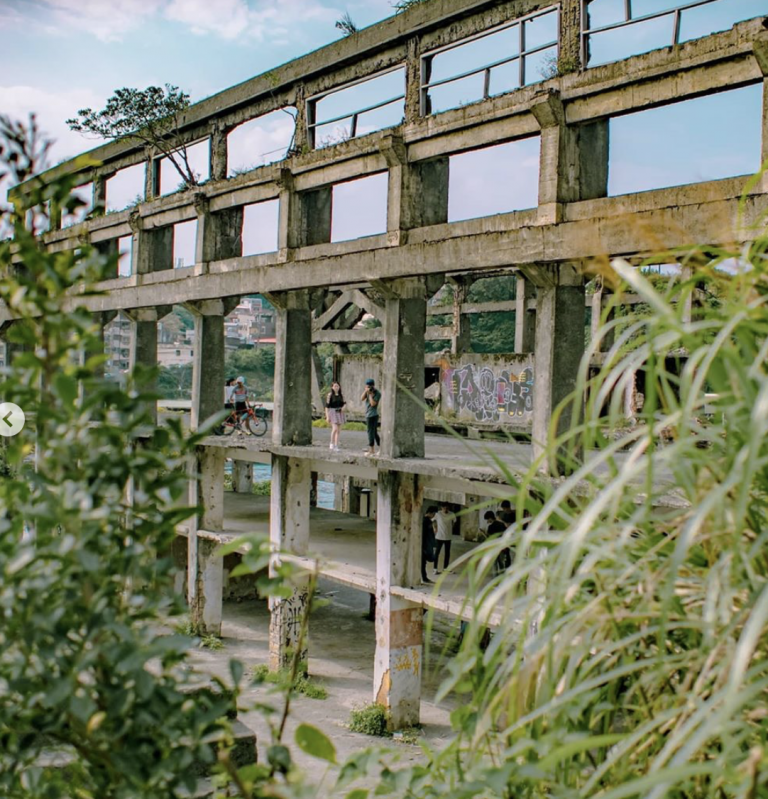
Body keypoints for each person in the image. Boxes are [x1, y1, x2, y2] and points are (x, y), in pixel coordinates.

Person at [361, 378, 381, 456]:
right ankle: (380, 448)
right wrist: (366, 391)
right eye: (367, 386)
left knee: (370, 432)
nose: (369, 387)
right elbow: (361, 398)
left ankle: (371, 450)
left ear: (373, 386)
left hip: (373, 415)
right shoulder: (367, 391)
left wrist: (370, 395)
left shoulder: (377, 393)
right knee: (374, 432)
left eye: (370, 386)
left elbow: (373, 404)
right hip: (368, 414)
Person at [433, 502, 455, 573]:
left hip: (448, 537)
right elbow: (433, 520)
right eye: (444, 508)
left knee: (447, 553)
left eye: (447, 508)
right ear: (441, 508)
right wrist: (435, 527)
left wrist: (450, 528)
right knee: (437, 553)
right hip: (439, 536)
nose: (446, 509)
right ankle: (435, 569)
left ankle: (445, 568)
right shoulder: (438, 514)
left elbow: (454, 521)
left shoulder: (452, 514)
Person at [325, 381, 346, 451]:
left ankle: (336, 445)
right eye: (335, 386)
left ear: (339, 387)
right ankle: (331, 443)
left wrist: (344, 407)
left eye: (337, 386)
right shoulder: (330, 395)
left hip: (340, 413)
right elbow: (327, 407)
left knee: (338, 430)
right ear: (332, 387)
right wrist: (327, 416)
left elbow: (344, 403)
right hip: (332, 412)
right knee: (335, 428)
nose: (336, 387)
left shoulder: (341, 395)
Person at [421, 506, 438, 584]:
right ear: (431, 513)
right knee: (423, 562)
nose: (434, 515)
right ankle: (424, 578)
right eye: (434, 514)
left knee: (423, 562)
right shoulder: (426, 521)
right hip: (425, 544)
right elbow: (425, 535)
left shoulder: (427, 521)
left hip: (426, 544)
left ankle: (424, 577)